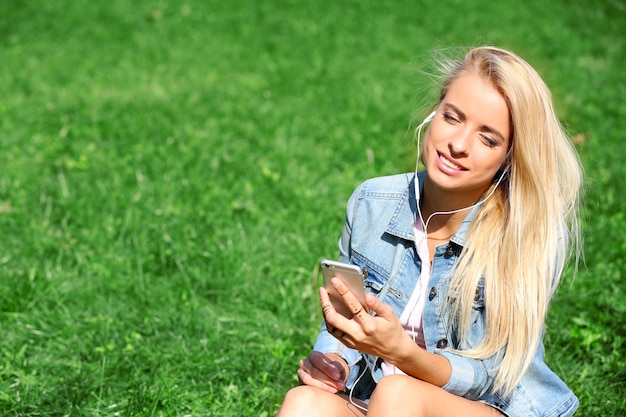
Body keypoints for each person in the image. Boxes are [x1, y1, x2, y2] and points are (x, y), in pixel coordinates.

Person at [276, 46, 583, 417]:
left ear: (510, 156)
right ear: (435, 111)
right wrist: (331, 360)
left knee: (398, 394)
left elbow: (492, 375)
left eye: (488, 139)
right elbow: (344, 317)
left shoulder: (525, 235)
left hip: (488, 406)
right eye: (453, 118)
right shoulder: (373, 202)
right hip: (383, 401)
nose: (458, 145)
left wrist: (404, 355)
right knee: (304, 403)